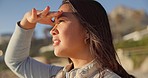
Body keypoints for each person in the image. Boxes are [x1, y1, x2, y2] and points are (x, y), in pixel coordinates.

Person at [5, 0, 135, 78]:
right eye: (53, 23)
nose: (52, 30)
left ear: (88, 31)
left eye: (61, 21)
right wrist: (28, 21)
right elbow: (16, 62)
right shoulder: (57, 74)